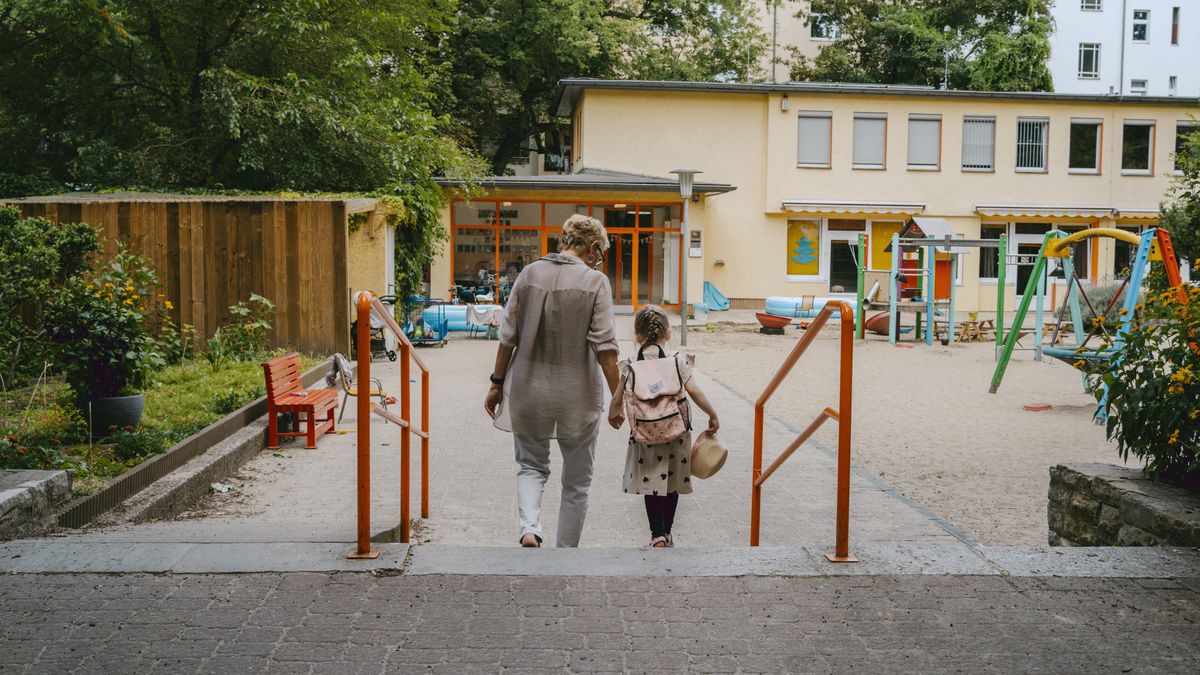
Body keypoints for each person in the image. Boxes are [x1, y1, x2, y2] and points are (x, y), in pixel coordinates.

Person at [483, 214, 621, 548]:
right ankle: (566, 551)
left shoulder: (529, 274)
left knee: (530, 466)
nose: (598, 260)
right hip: (578, 396)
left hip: (527, 390)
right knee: (577, 483)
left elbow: (507, 337)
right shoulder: (596, 282)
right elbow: (606, 349)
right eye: (600, 254)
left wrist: (497, 383)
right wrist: (619, 399)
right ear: (592, 247)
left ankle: (530, 529)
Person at [608, 305, 719, 549]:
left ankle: (656, 535)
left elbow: (617, 399)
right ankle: (667, 533)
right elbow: (694, 391)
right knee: (672, 484)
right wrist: (712, 415)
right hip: (676, 434)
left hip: (645, 436)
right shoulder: (677, 361)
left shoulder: (630, 366)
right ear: (668, 334)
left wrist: (613, 415)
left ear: (637, 336)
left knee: (651, 485)